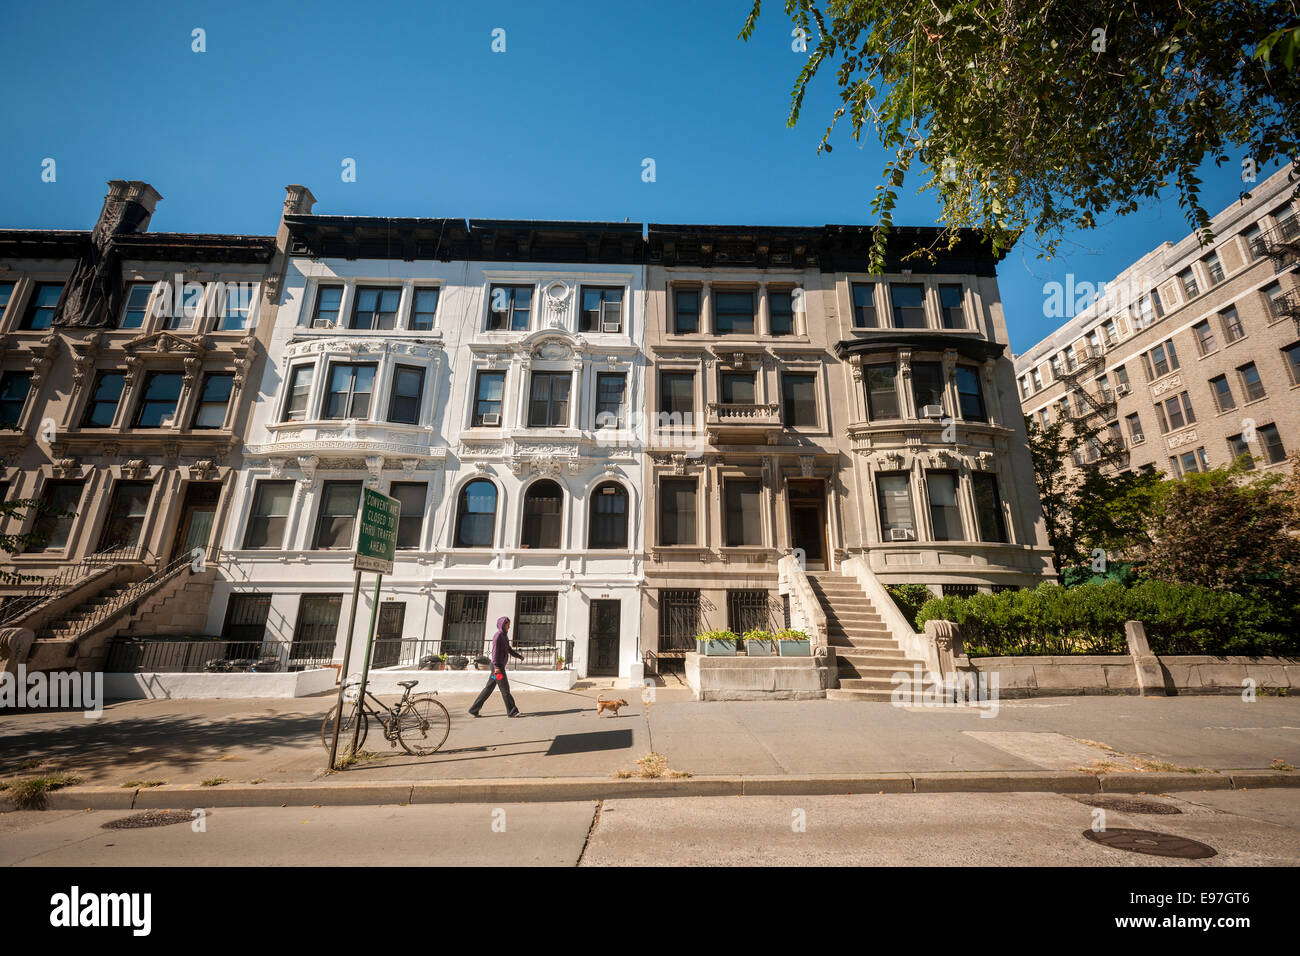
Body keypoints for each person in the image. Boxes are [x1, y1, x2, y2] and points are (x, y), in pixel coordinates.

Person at [468, 616, 524, 717]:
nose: (509, 627)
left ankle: (474, 709)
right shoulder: (498, 636)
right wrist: (497, 667)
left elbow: (509, 649)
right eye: (507, 625)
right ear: (502, 624)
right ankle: (512, 711)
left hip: (498, 666)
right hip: (497, 667)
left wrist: (519, 656)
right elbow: (494, 653)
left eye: (509, 625)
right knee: (505, 688)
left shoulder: (504, 636)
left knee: (489, 688)